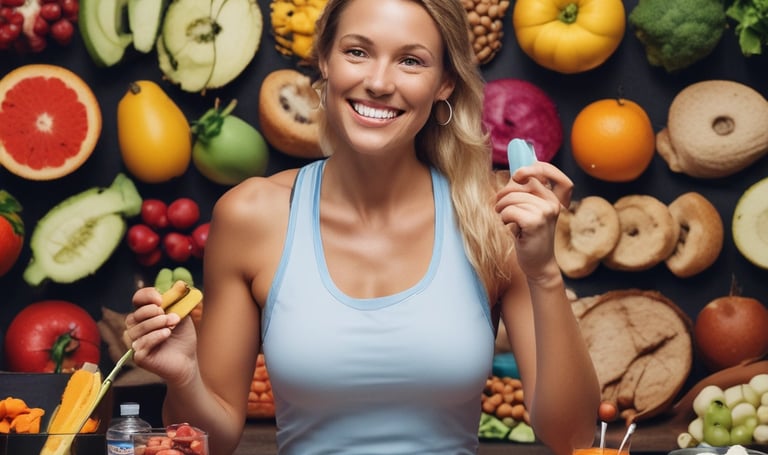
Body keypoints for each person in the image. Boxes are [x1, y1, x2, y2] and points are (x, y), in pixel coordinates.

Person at [125, 0, 601, 453]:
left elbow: (574, 437)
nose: (377, 81)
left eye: (411, 61)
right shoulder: (252, 216)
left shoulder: (492, 218)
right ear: (325, 63)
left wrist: (543, 272)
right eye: (357, 51)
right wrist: (185, 376)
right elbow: (217, 439)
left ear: (445, 84)